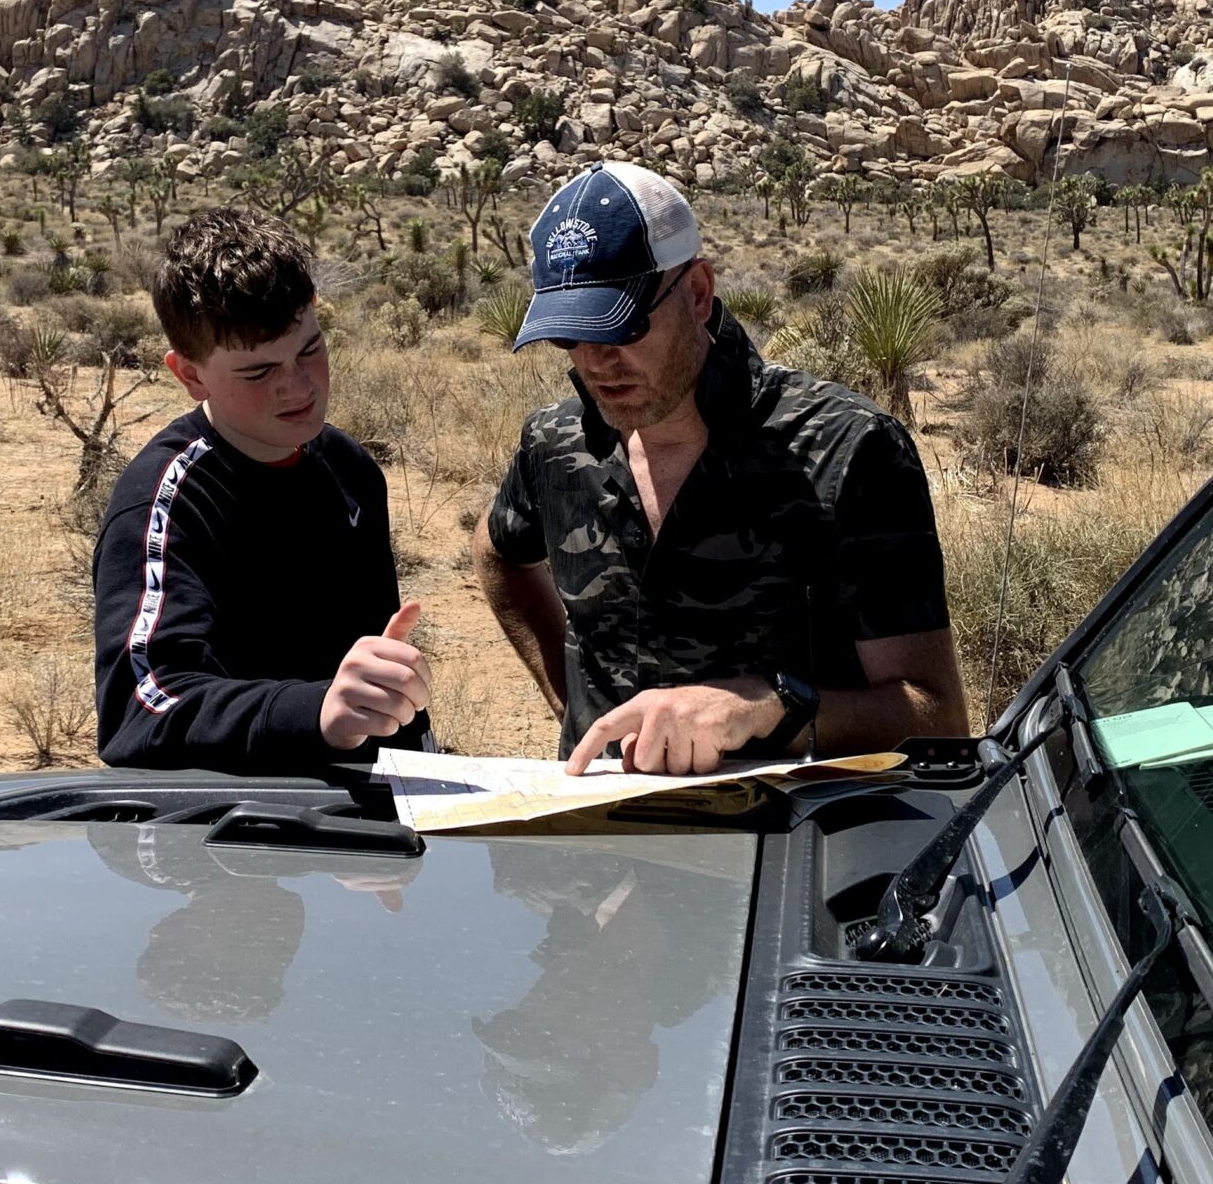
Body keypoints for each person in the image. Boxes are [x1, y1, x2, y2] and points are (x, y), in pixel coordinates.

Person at [474, 161, 967, 773]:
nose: (597, 361)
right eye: (570, 335)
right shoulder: (554, 443)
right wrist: (570, 701)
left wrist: (767, 707)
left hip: (788, 844)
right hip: (598, 845)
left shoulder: (850, 449)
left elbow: (936, 716)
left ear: (699, 293)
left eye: (620, 325)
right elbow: (498, 552)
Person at [92, 208, 431, 770]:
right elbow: (143, 705)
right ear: (190, 375)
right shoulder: (167, 501)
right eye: (257, 372)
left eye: (310, 349)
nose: (296, 386)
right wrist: (315, 711)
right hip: (231, 833)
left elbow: (374, 669)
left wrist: (407, 742)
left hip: (368, 821)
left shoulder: (350, 469)